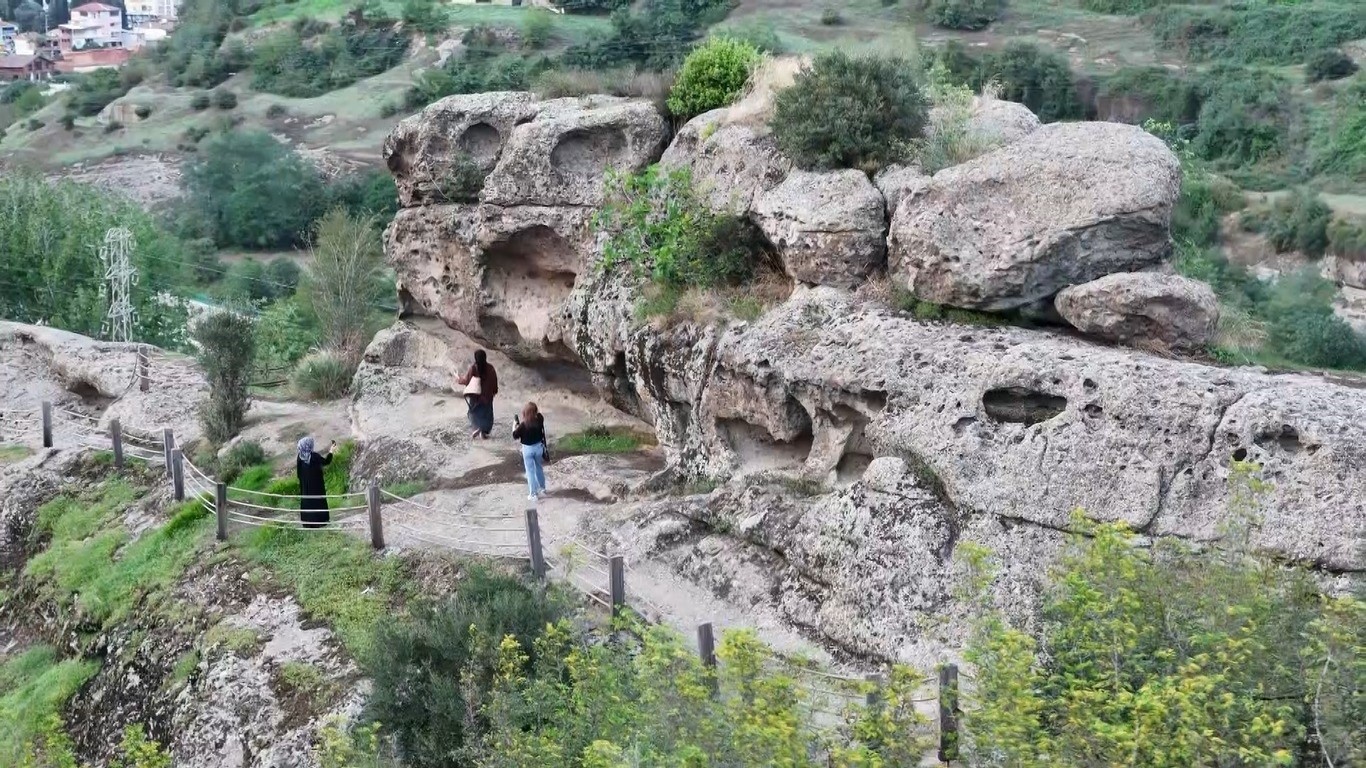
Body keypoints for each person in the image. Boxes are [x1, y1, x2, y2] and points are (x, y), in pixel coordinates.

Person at [456, 349, 498, 440]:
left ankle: (476, 428)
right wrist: (494, 391)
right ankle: (484, 431)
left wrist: (459, 380)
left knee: (474, 413)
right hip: (487, 397)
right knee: (487, 414)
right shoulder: (491, 368)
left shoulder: (474, 368)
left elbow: (467, 381)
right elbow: (494, 381)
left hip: (476, 397)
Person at [296, 436, 335, 529]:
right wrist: (331, 450)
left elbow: (298, 474)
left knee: (307, 502)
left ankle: (308, 522)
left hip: (306, 487)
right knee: (318, 501)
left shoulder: (300, 458)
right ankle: (320, 521)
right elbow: (326, 462)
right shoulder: (314, 456)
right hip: (317, 486)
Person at [512, 402, 547, 501]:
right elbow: (539, 415)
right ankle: (543, 488)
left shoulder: (523, 425)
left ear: (524, 413)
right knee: (539, 468)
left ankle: (533, 494)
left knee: (530, 472)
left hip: (527, 449)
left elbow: (515, 436)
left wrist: (514, 426)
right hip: (538, 448)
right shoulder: (540, 419)